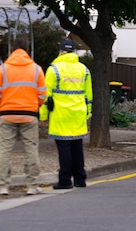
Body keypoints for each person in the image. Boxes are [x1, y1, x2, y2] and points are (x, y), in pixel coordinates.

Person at [39, 38, 93, 190]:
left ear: (61, 52)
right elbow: (88, 95)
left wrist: (43, 116)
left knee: (64, 148)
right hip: (78, 114)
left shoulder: (53, 69)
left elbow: (45, 95)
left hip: (60, 115)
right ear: (74, 52)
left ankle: (65, 180)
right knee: (77, 147)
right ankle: (80, 179)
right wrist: (88, 112)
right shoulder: (84, 70)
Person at [0, 35, 47, 196]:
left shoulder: (3, 69)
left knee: (4, 150)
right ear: (27, 50)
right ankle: (32, 185)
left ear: (12, 49)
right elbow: (42, 94)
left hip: (6, 114)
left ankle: (3, 185)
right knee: (31, 149)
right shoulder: (36, 69)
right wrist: (36, 106)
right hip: (29, 114)